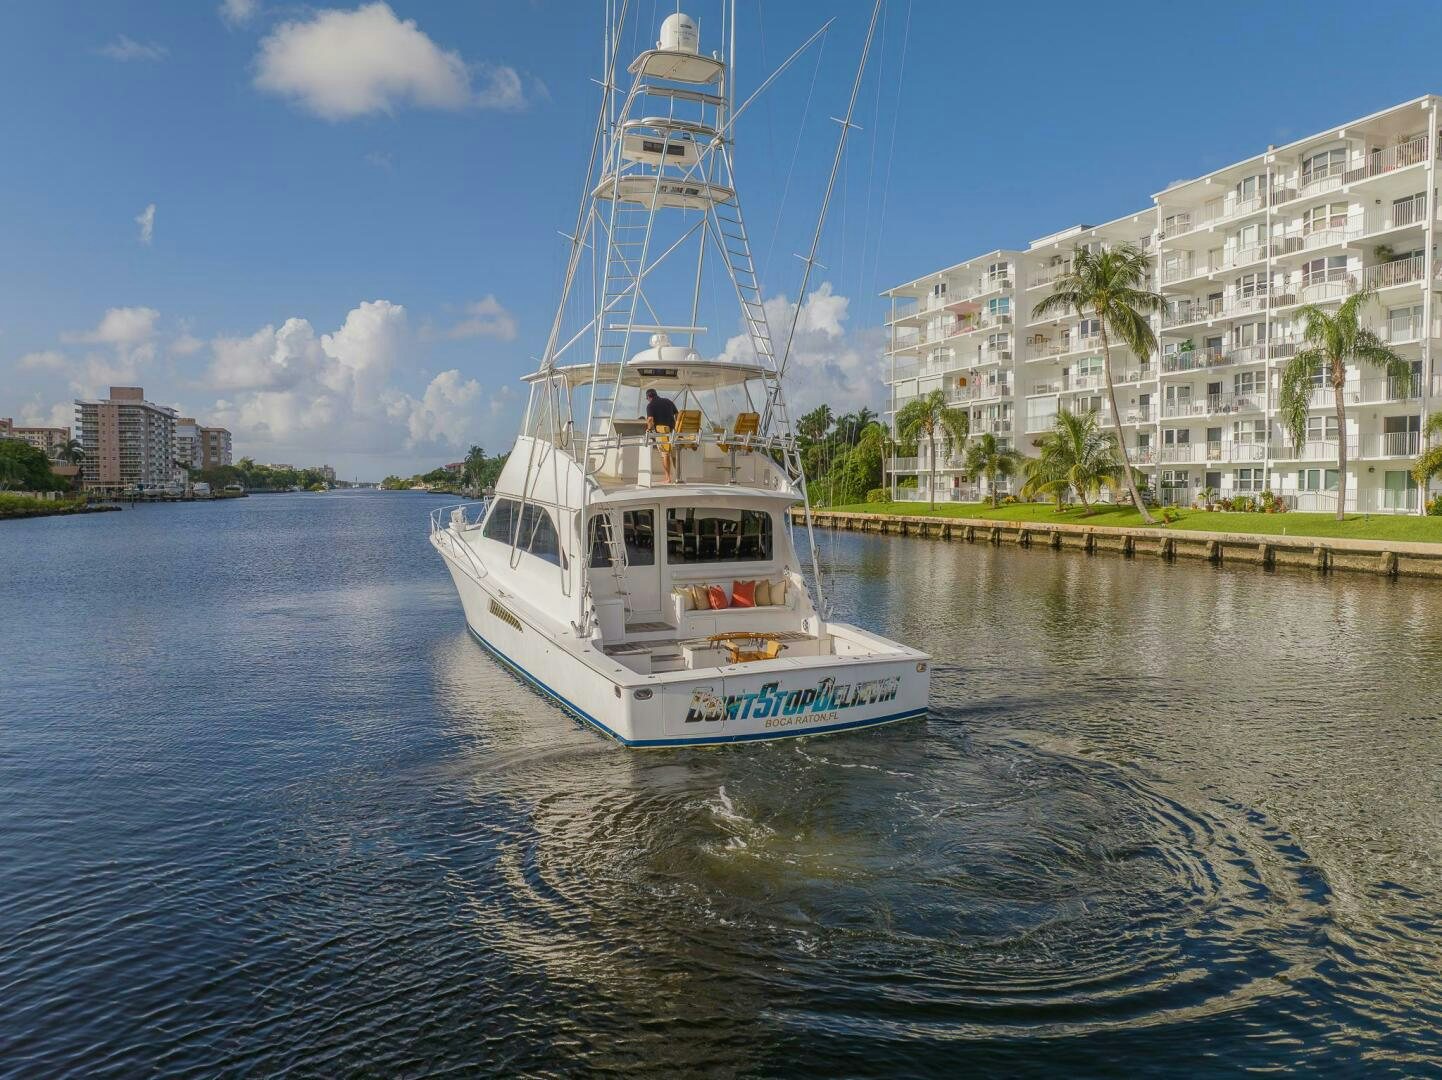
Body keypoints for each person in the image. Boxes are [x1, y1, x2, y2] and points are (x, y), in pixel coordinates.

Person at [644, 388, 680, 483]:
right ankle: (679, 476)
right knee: (674, 455)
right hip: (673, 431)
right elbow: (677, 415)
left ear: (649, 397)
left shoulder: (650, 405)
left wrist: (648, 429)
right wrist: (676, 426)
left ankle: (668, 478)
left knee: (665, 454)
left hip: (662, 432)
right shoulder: (668, 401)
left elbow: (650, 419)